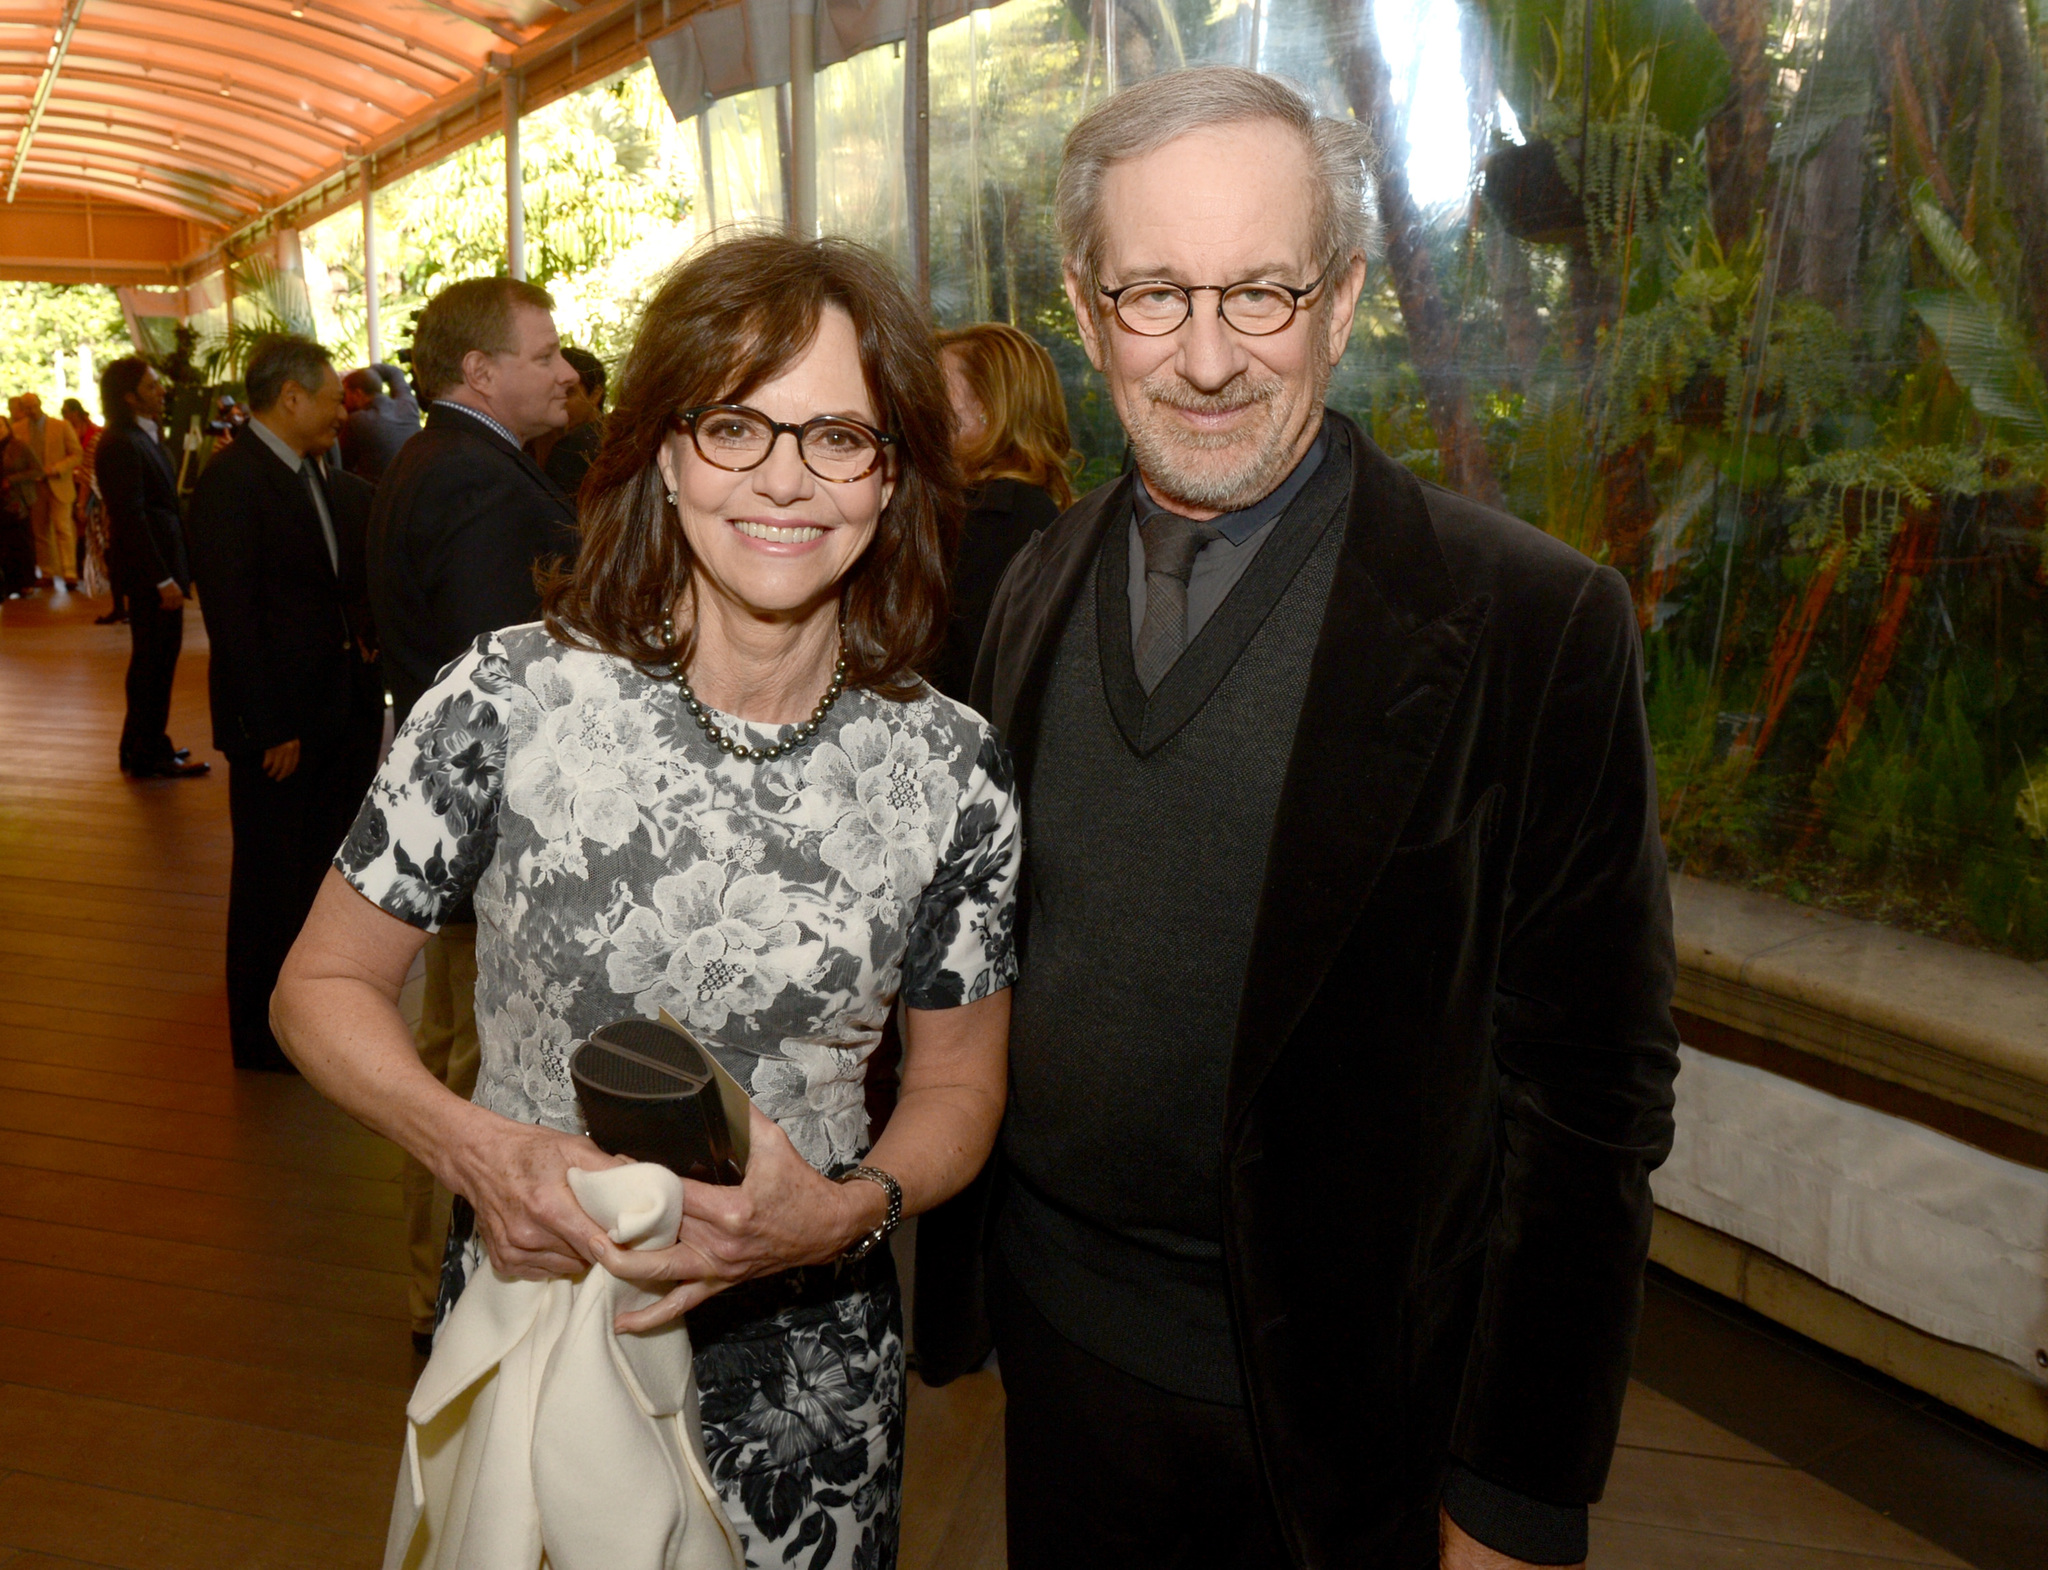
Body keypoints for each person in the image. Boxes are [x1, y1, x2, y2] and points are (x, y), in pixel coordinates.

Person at [920, 67, 1680, 1570]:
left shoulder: (1531, 622)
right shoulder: (1031, 580)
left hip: (1352, 1423)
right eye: (1155, 294)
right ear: (1086, 309)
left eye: (1262, 292)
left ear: (1339, 304)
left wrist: (1518, 1491)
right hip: (1060, 1360)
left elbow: (1591, 1094)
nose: (1207, 358)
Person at [276, 232, 1016, 1570]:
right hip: (542, 1320)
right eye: (738, 425)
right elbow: (319, 985)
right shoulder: (508, 698)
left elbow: (961, 1087)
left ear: (892, 472)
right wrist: (475, 1150)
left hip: (812, 1379)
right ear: (668, 451)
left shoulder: (951, 766)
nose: (786, 478)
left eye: (839, 435)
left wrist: (851, 1208)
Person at [365, 276, 583, 1355]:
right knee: (465, 1067)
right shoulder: (485, 486)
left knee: (451, 1051)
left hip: (458, 832)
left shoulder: (436, 461)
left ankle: (429, 1292)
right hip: (491, 837)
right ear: (477, 372)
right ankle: (448, 1297)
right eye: (543, 355)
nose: (565, 372)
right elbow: (505, 686)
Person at [186, 335, 384, 1073]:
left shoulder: (312, 472)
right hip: (281, 724)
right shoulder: (234, 481)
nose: (344, 407)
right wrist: (270, 724)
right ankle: (261, 1040)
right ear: (291, 397)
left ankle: (310, 1020)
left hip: (335, 706)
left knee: (317, 870)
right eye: (332, 397)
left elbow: (325, 586)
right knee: (271, 879)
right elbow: (234, 615)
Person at [927, 324, 1073, 701]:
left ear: (990, 410)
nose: (920, 405)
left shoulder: (998, 519)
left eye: (935, 390)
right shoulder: (1024, 509)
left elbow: (960, 679)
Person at [95, 358, 208, 779]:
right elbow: (132, 518)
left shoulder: (142, 437)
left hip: (161, 567)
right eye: (150, 386)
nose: (161, 391)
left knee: (156, 662)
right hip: (151, 574)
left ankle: (142, 744)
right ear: (129, 396)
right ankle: (145, 752)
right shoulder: (122, 443)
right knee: (152, 664)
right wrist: (162, 578)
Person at [9, 392, 83, 590]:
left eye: (34, 406)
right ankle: (47, 572)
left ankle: (70, 573)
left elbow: (77, 454)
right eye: (27, 407)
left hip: (59, 483)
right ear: (22, 409)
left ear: (40, 404)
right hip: (33, 487)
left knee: (63, 529)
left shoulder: (60, 426)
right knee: (39, 531)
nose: (32, 411)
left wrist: (57, 468)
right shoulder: (17, 429)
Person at [531, 344, 607, 499]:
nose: (559, 400)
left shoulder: (574, 448)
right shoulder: (541, 438)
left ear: (595, 395)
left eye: (569, 392)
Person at [339, 366, 420, 483]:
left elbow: (343, 467)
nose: (343, 400)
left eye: (344, 395)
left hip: (380, 496)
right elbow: (394, 371)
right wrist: (365, 374)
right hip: (416, 487)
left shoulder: (357, 421)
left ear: (357, 394)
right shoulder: (408, 405)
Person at [62, 398, 107, 598]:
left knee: (88, 525)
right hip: (74, 482)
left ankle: (90, 566)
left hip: (91, 485)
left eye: (68, 412)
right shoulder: (66, 430)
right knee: (78, 525)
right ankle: (80, 565)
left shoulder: (96, 433)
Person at [0, 416, 37, 598]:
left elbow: (36, 469)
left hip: (16, 499)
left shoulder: (19, 446)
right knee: (4, 542)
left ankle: (26, 582)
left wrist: (12, 480)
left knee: (21, 540)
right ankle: (8, 584)